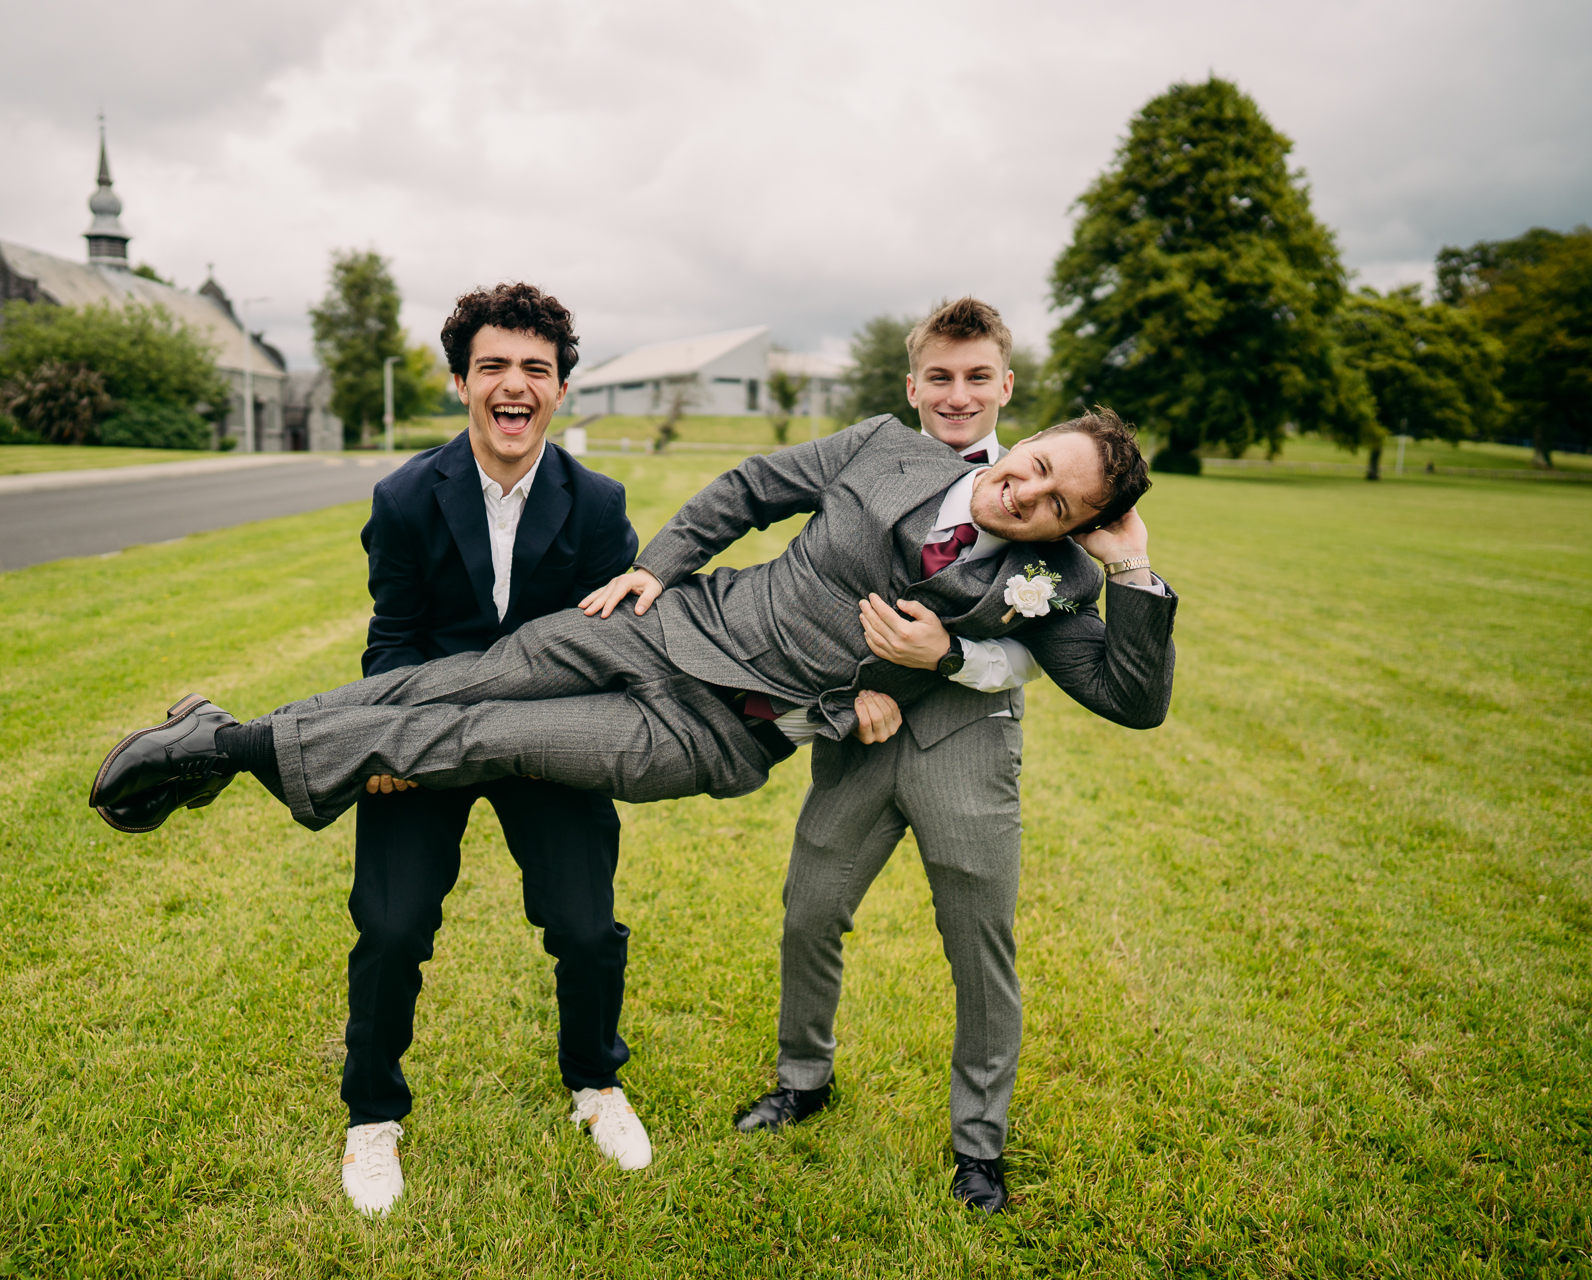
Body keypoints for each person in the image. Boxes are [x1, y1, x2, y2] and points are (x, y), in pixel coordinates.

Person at [92, 407, 1174, 842]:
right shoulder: (889, 444)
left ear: (1076, 525)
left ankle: (223, 744)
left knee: (489, 738)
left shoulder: (1051, 589)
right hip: (667, 626)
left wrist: (1128, 564)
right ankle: (220, 749)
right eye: (1034, 465)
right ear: (1020, 440)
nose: (1028, 495)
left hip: (724, 731)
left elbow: (1131, 698)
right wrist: (656, 567)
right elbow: (751, 486)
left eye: (1061, 505)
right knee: (463, 678)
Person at [731, 298, 1099, 1217]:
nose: (959, 394)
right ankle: (802, 1081)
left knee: (979, 949)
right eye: (940, 375)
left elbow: (1035, 651)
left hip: (967, 744)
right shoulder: (880, 457)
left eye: (979, 377)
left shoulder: (1051, 501)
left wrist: (942, 660)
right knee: (809, 911)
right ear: (913, 384)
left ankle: (980, 1146)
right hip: (859, 736)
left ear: (1006, 386)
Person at [329, 284, 650, 1216]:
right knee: (390, 928)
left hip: (547, 740)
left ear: (559, 389)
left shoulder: (597, 504)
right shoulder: (403, 498)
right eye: (494, 367)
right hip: (424, 737)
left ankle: (595, 1087)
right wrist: (389, 739)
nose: (514, 386)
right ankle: (372, 1117)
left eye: (535, 370)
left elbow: (605, 646)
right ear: (462, 382)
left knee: (586, 928)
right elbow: (393, 638)